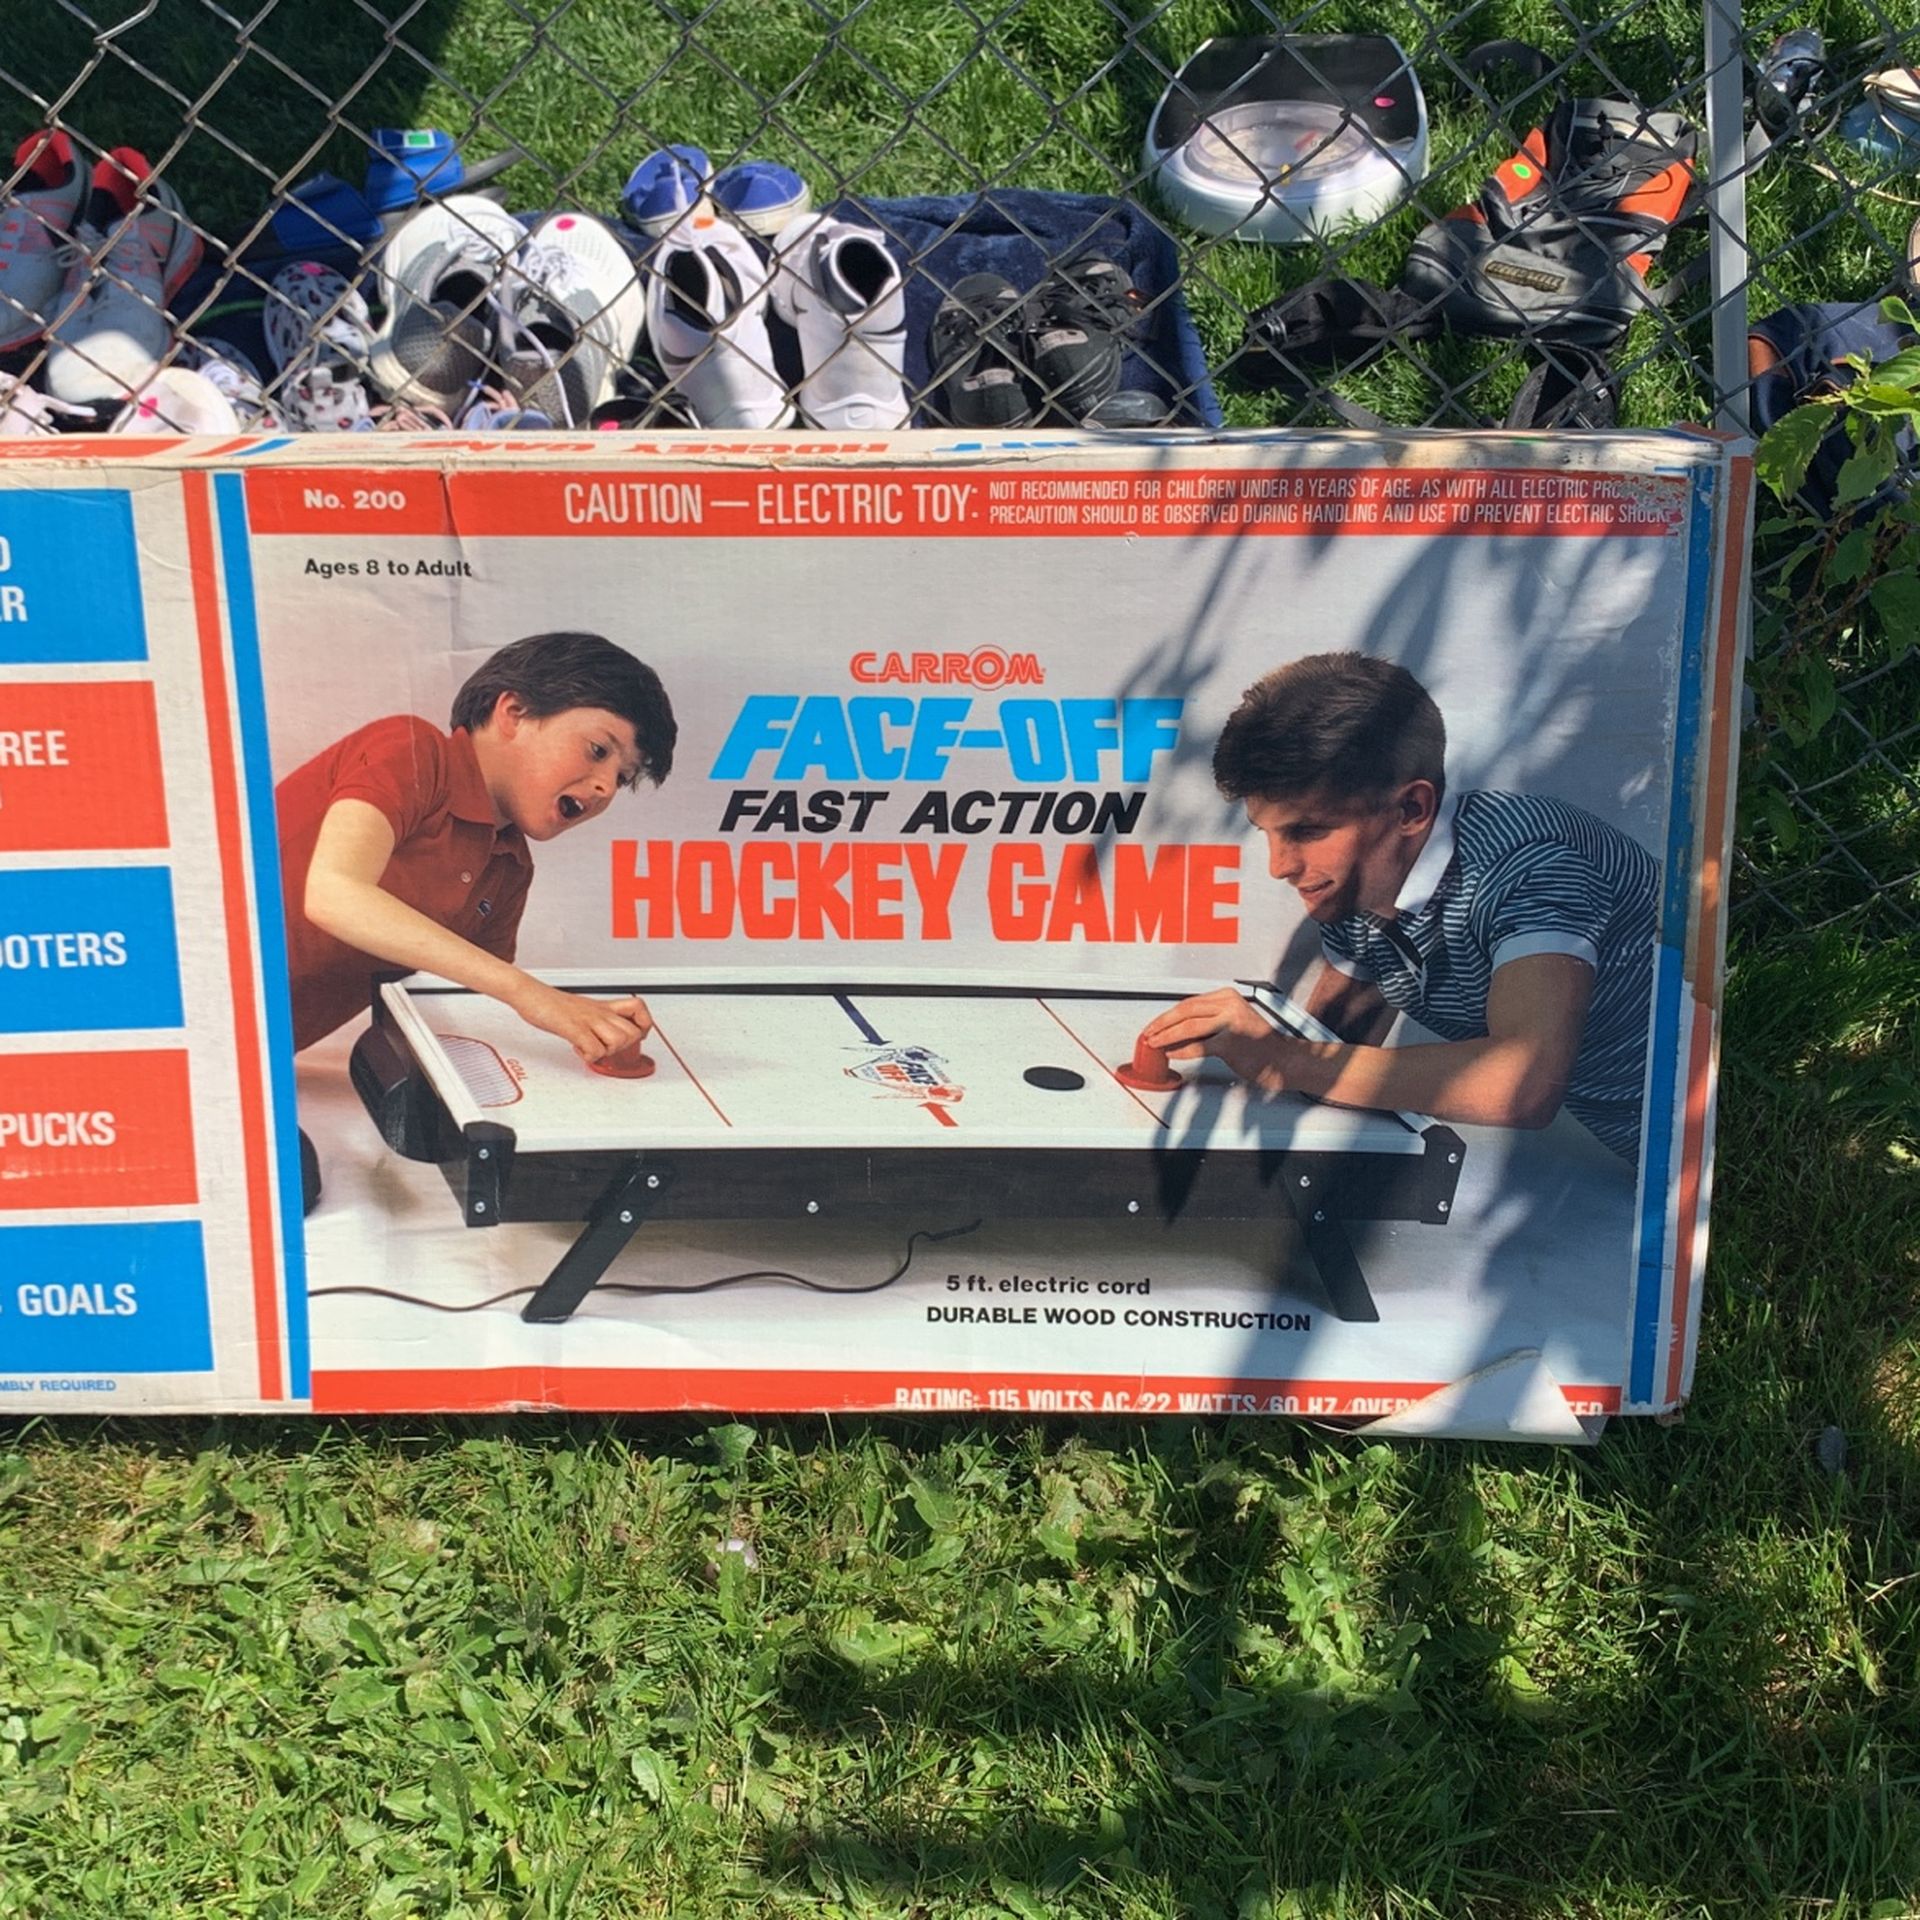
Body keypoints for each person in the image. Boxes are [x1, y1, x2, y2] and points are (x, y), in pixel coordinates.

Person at [1140, 652, 1658, 1161]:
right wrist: (1249, 1051)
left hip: (1720, 1138)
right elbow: (1327, 1057)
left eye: (1308, 831)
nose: (1280, 866)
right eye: (1269, 835)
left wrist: (1285, 1058)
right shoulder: (1363, 884)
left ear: (1412, 808)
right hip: (1650, 1158)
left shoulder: (1529, 865)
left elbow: (1522, 1083)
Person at [277, 630, 677, 1210]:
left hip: (243, 1065)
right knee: (286, 1179)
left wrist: (585, 1032)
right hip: (148, 1014)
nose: (602, 787)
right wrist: (528, 992)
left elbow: (459, 1006)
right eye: (598, 750)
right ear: (513, 712)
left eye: (621, 777)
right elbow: (335, 892)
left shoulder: (509, 867)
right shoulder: (413, 750)